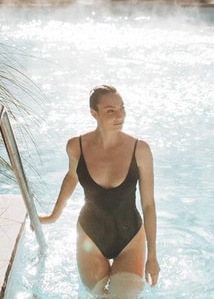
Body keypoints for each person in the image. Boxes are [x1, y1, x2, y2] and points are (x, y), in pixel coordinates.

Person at [39, 85, 159, 297]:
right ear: (94, 114)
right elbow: (71, 178)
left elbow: (148, 205)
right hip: (90, 235)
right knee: (98, 296)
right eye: (110, 110)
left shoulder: (140, 150)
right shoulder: (76, 146)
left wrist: (152, 256)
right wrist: (53, 216)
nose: (120, 115)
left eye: (122, 108)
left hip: (129, 237)